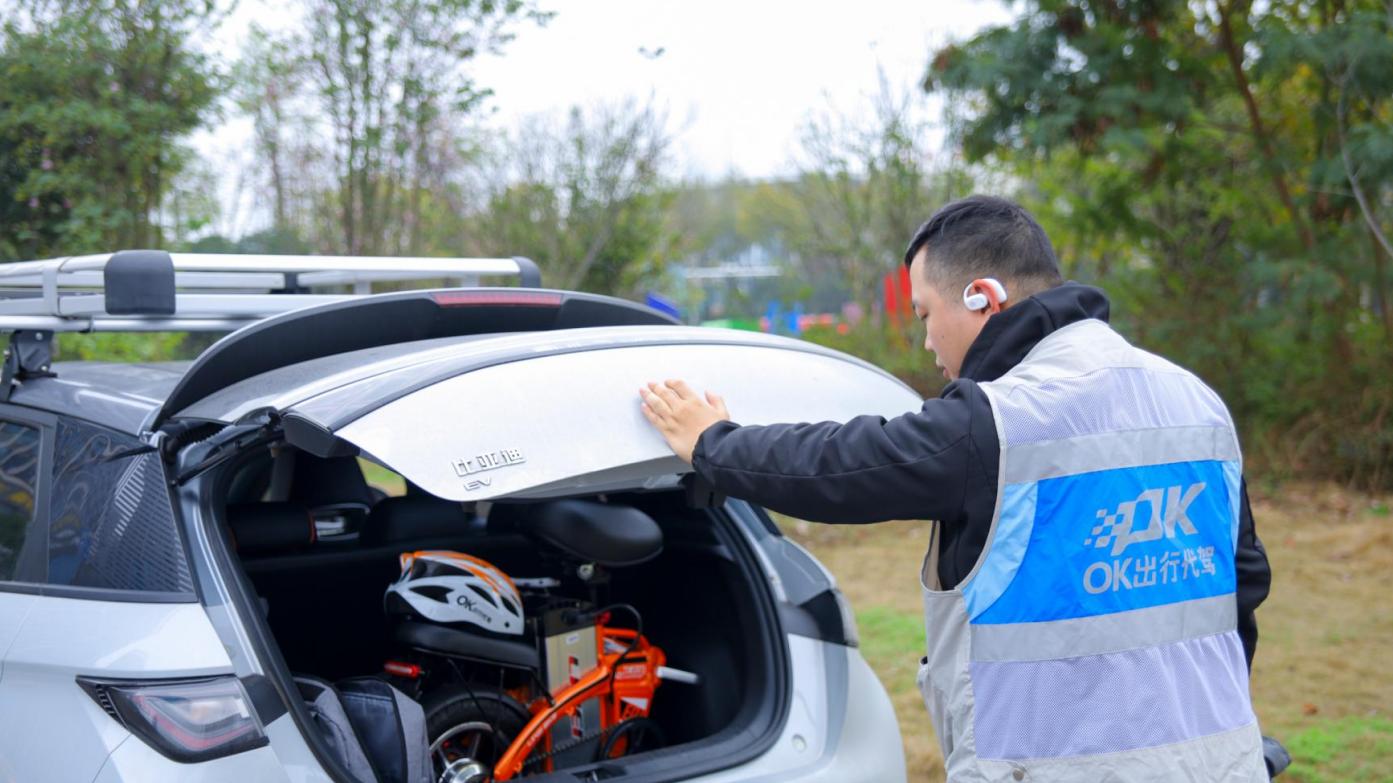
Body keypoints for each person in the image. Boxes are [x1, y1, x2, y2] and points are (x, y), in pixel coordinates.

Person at [637, 195, 1272, 781]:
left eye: (925, 314)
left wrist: (710, 443)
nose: (926, 340)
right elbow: (1242, 588)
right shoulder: (1197, 400)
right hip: (1222, 762)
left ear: (982, 298)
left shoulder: (1000, 421)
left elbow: (840, 465)